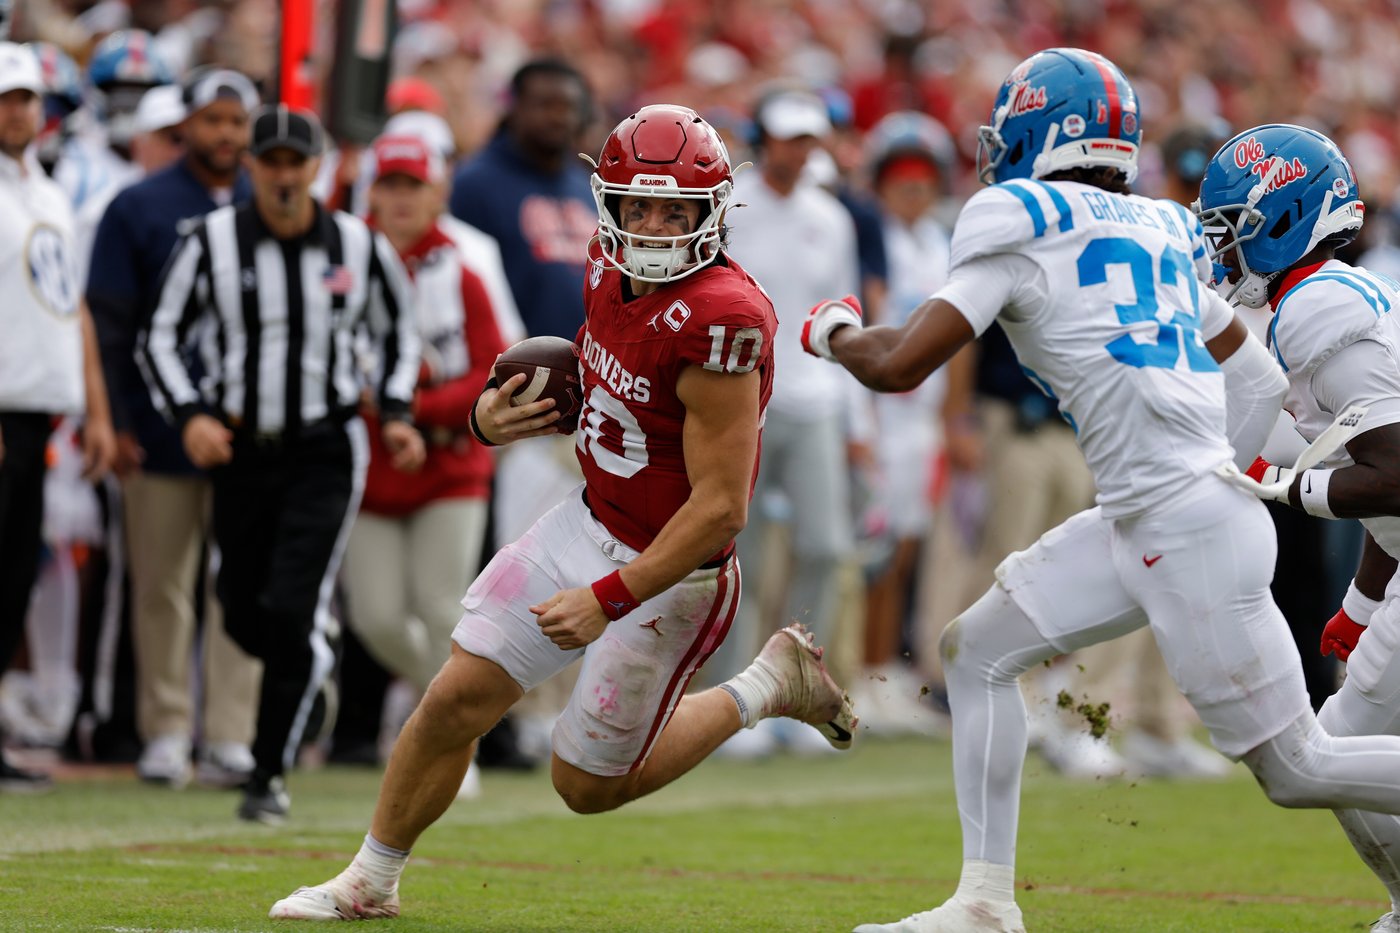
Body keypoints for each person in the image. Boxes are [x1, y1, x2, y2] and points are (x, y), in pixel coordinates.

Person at [802, 48, 1400, 933]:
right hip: (1156, 512)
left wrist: (832, 329)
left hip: (1181, 522)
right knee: (978, 651)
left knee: (1299, 767)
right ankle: (983, 903)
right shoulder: (1155, 225)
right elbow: (1261, 380)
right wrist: (1220, 471)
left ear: (1038, 138)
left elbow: (895, 364)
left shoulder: (1017, 219)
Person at [267, 104, 855, 921]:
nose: (651, 225)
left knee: (584, 785)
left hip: (672, 568)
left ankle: (765, 684)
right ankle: (370, 879)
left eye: (674, 210)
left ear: (712, 213)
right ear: (608, 202)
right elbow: (600, 366)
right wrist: (487, 417)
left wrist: (610, 596)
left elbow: (720, 508)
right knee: (453, 698)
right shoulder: (604, 264)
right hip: (585, 516)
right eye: (637, 206)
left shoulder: (723, 319)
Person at [138, 104, 425, 823]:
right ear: (253, 168)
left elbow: (401, 333)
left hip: (325, 449)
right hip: (241, 448)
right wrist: (191, 413)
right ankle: (306, 667)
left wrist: (392, 412)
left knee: (292, 606)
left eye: (299, 163)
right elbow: (159, 336)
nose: (286, 176)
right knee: (239, 606)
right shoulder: (211, 241)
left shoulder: (358, 246)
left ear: (317, 167)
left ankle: (267, 773)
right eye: (272, 163)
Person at [1195, 123, 1400, 933]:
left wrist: (1277, 484)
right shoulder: (1313, 298)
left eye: (1229, 231)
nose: (1220, 250)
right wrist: (1360, 601)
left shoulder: (1316, 308)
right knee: (1329, 754)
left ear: (1281, 219)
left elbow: (1397, 474)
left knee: (1324, 756)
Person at [87, 67, 261, 790]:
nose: (224, 134)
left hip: (252, 426)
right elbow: (110, 321)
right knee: (163, 583)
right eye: (211, 119)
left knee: (242, 582)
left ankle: (230, 732)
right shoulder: (139, 206)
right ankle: (163, 728)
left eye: (235, 120)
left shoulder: (272, 202)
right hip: (158, 427)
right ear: (184, 124)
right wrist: (120, 418)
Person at [341, 133, 506, 743]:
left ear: (437, 193)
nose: (402, 199)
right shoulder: (340, 265)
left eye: (414, 185)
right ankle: (464, 705)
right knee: (376, 618)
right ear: (372, 192)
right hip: (367, 466)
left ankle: (448, 742)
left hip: (451, 465)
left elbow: (493, 370)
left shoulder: (462, 273)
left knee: (443, 610)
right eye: (390, 185)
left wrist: (413, 409)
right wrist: (387, 416)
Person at [715, 87, 862, 757]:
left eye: (809, 140)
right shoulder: (730, 208)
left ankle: (798, 693)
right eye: (789, 138)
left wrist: (860, 418)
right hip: (742, 402)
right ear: (761, 139)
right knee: (736, 557)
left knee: (825, 548)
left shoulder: (831, 217)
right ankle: (732, 702)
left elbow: (843, 318)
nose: (800, 151)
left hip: (815, 402)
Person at [0, 40, 115, 791]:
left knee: (13, 577)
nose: (17, 111)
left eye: (25, 99)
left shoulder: (43, 191)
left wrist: (97, 410)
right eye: (5, 99)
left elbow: (70, 306)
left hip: (41, 411)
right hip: (5, 406)